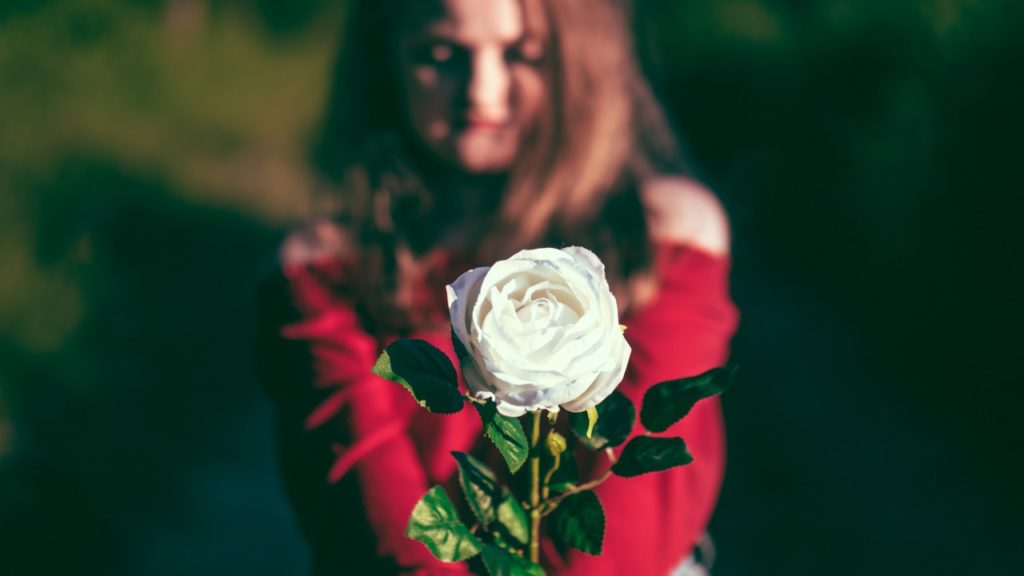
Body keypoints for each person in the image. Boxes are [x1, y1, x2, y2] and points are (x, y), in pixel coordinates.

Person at [259, 0, 739, 574]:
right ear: (385, 61)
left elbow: (614, 553)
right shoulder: (330, 271)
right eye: (441, 55)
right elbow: (378, 536)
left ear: (582, 63)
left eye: (523, 55)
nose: (483, 94)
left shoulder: (660, 240)